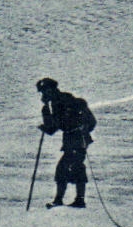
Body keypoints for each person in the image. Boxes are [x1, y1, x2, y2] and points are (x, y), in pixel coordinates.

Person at [37, 77, 96, 209]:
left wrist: (82, 129)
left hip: (78, 139)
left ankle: (64, 200)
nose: (43, 95)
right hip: (71, 139)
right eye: (42, 92)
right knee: (74, 167)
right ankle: (78, 200)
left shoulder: (65, 100)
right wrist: (45, 110)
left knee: (65, 168)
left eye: (44, 91)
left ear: (51, 89)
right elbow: (52, 129)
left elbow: (61, 124)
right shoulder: (53, 104)